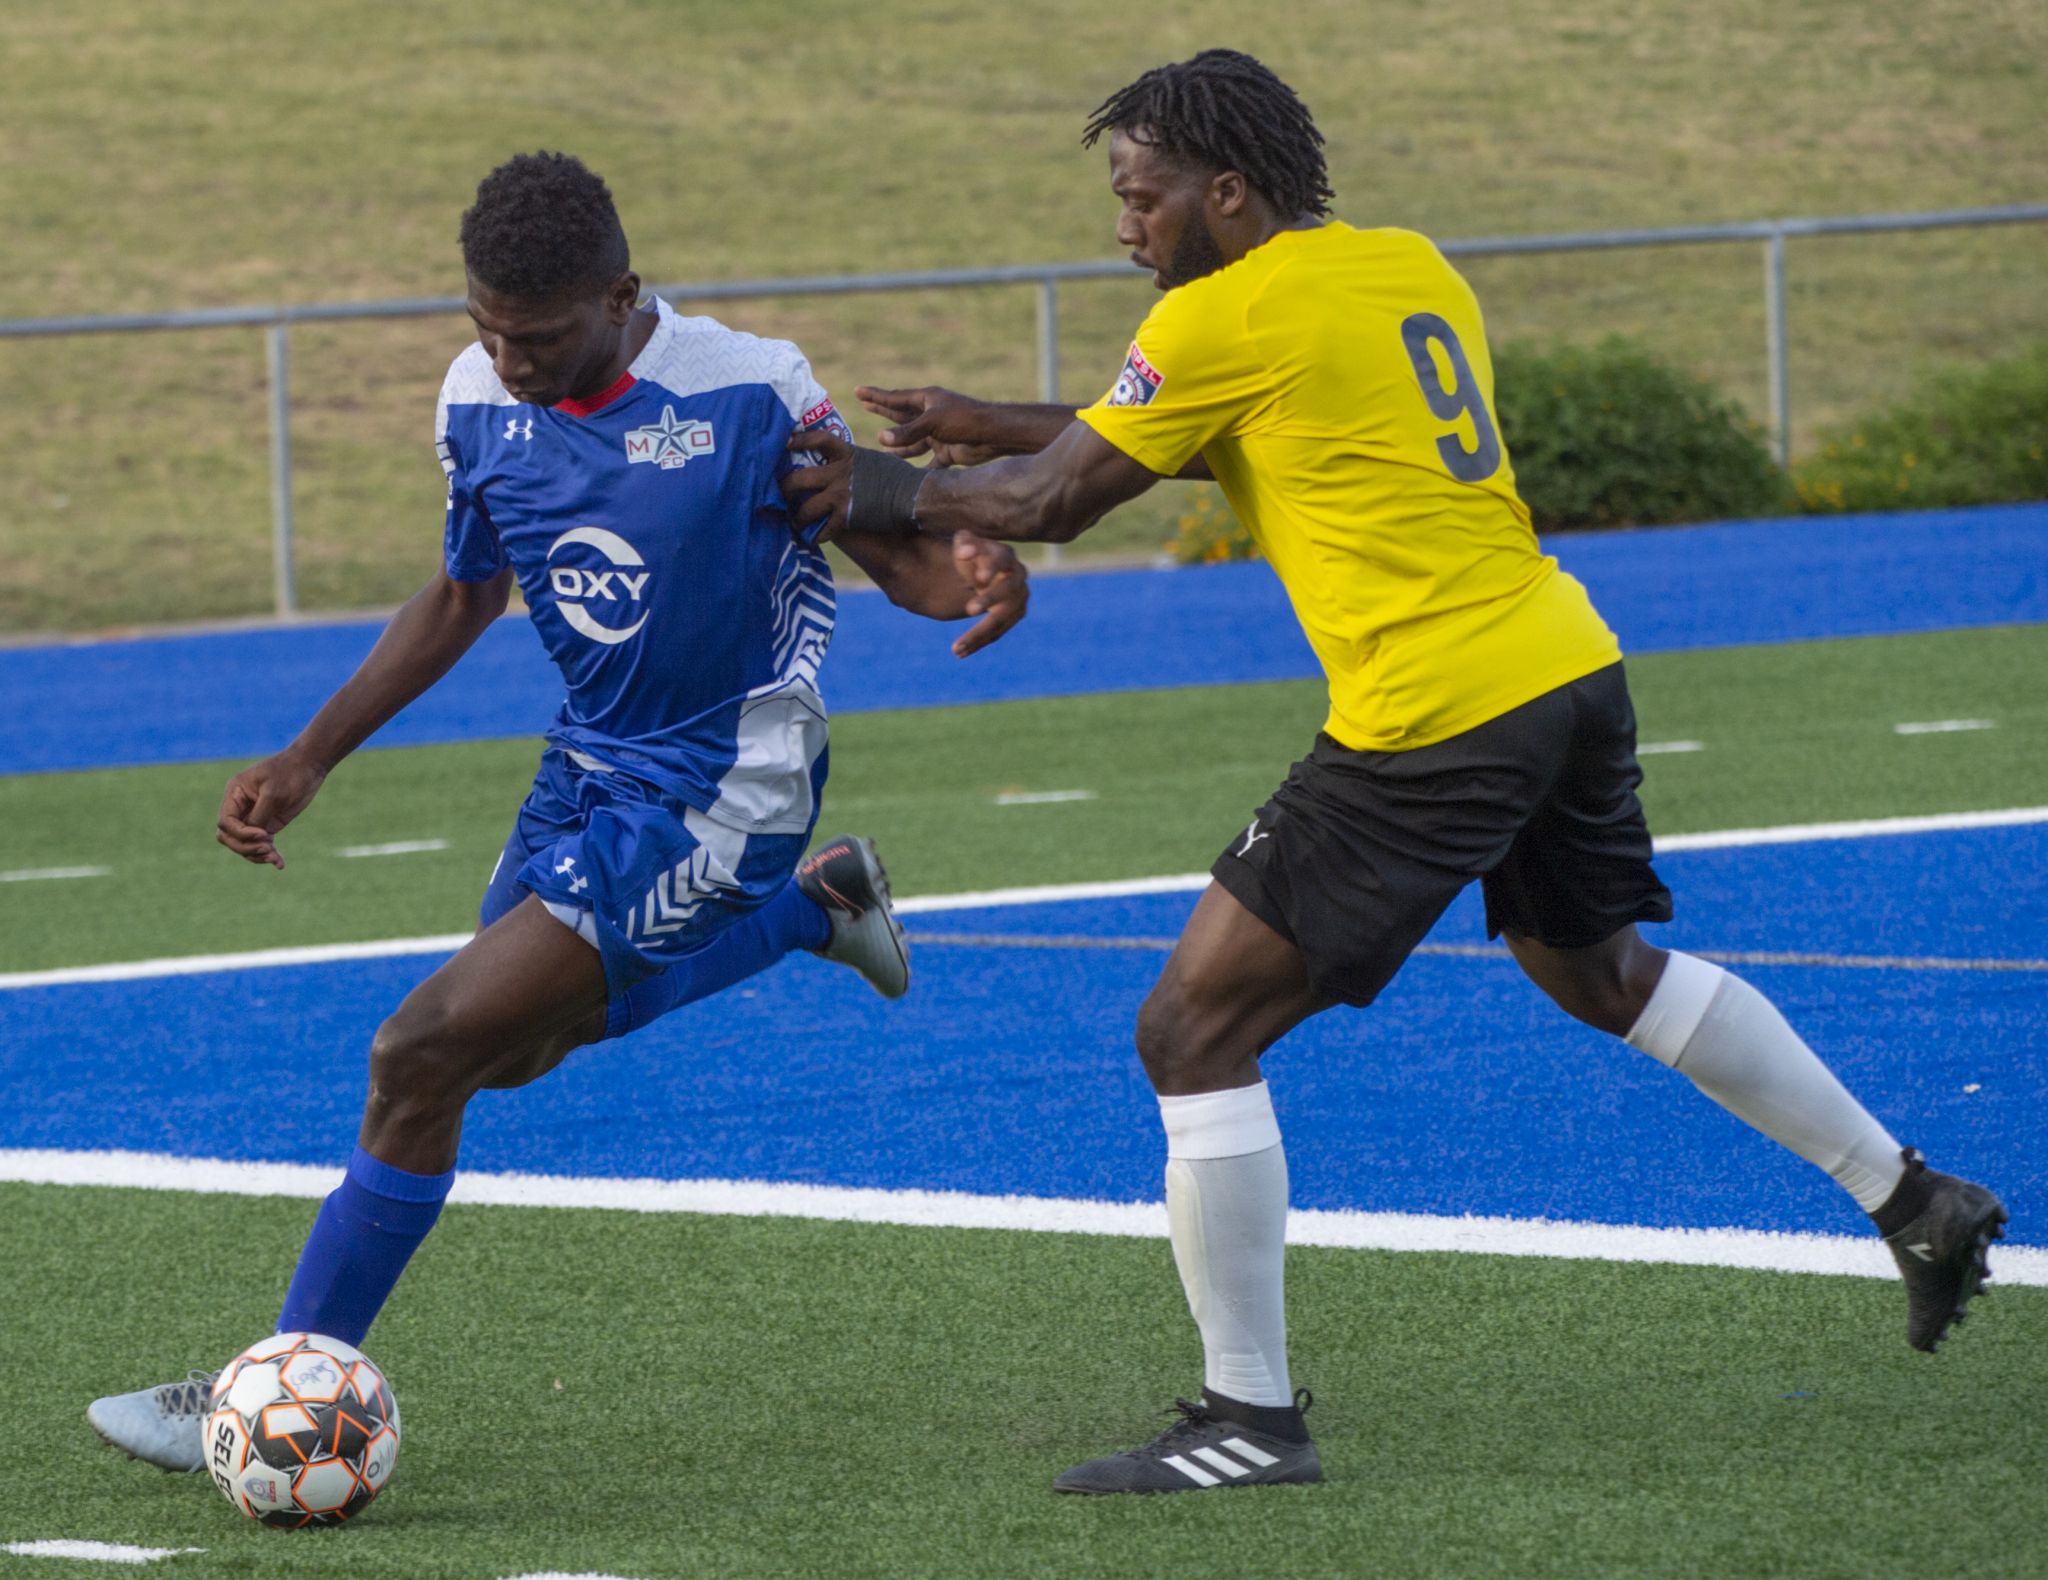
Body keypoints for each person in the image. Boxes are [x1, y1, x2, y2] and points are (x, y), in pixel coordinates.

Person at [784, 50, 2008, 1495]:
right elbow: (1243, 423)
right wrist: (986, 423)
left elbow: (1062, 500)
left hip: (1436, 715)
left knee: (1190, 1030)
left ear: (1223, 193)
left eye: (1142, 195)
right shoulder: (1401, 263)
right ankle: (1914, 1196)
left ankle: (1247, 1417)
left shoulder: (1223, 314)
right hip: (1564, 664)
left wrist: (858, 488)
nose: (1125, 227)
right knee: (1599, 972)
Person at [88, 151, 1030, 1473]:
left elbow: (894, 551)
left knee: (419, 1052)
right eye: (485, 328)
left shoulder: (746, 386)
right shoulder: (476, 400)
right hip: (586, 766)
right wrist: (310, 758)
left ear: (620, 294)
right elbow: (466, 592)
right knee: (508, 1054)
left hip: (726, 782)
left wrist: (976, 570)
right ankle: (811, 914)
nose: (508, 359)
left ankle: (269, 1384)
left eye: (534, 337)